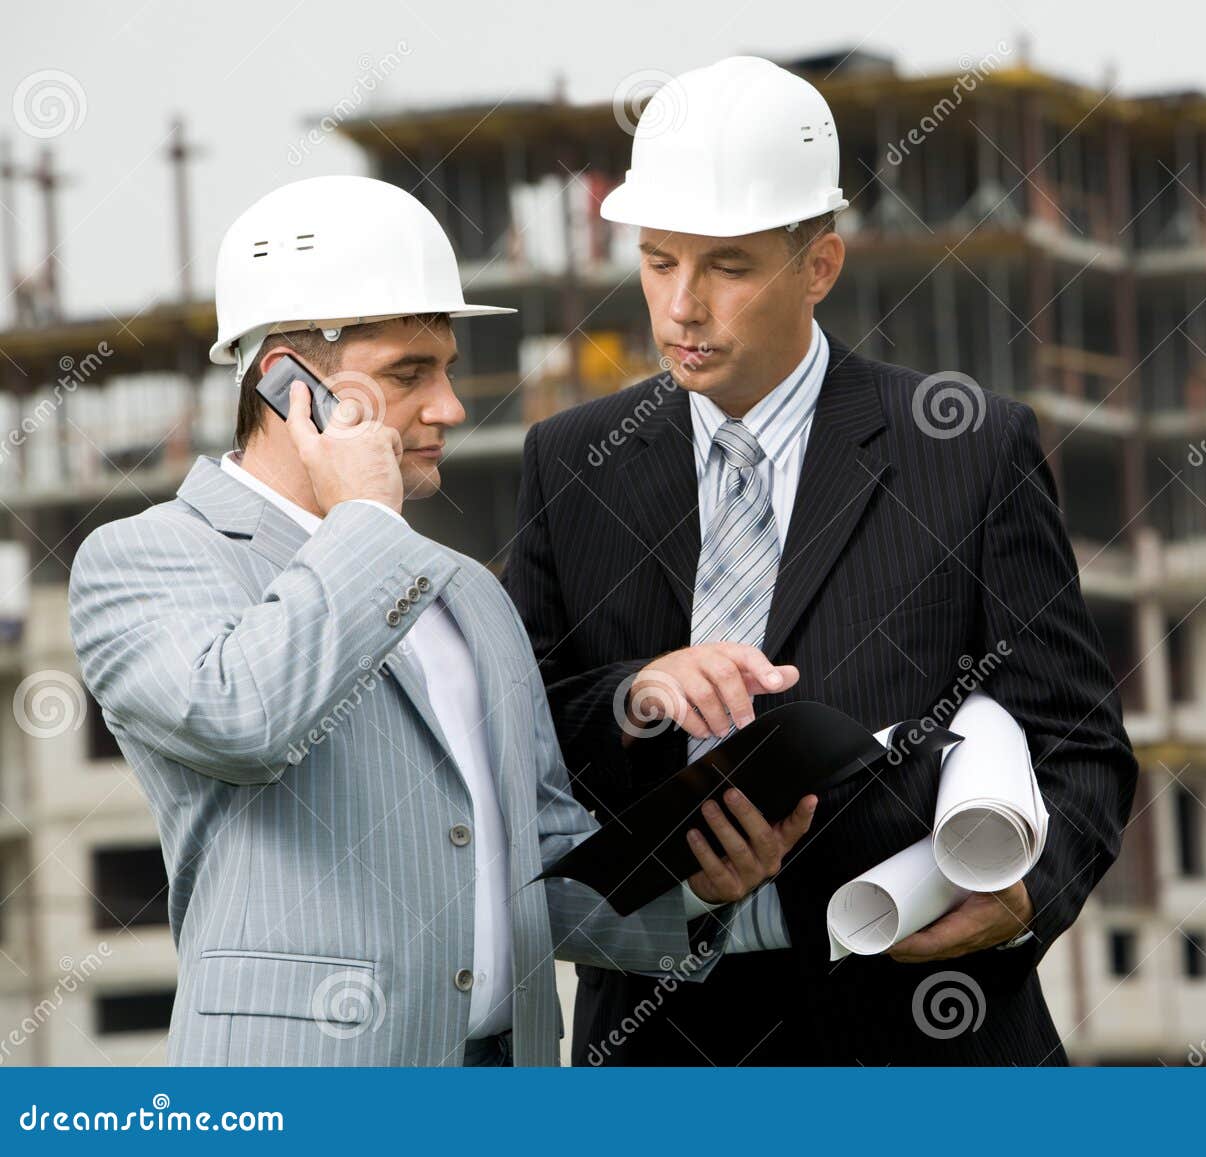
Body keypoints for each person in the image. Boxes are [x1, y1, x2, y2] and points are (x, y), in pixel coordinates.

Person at [67, 175, 814, 1067]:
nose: (450, 407)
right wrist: (367, 521)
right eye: (409, 374)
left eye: (448, 368)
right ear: (286, 385)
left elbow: (535, 857)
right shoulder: (146, 557)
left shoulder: (465, 590)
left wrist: (699, 888)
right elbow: (244, 718)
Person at [503, 56, 1138, 1066]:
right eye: (659, 261)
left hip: (924, 1035)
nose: (681, 309)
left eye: (728, 266)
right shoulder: (575, 463)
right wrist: (636, 695)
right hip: (668, 1044)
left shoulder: (963, 449)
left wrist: (1026, 893)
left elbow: (1078, 738)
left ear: (820, 266)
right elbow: (522, 737)